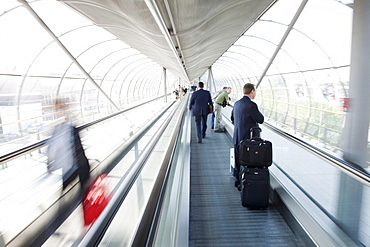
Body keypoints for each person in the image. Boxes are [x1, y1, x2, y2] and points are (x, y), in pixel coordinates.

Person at [47, 98, 90, 192]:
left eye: (61, 109)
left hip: (71, 170)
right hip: (72, 170)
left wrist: (50, 165)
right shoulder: (64, 130)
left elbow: (52, 150)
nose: (60, 112)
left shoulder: (62, 130)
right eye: (58, 109)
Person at [231, 83, 264, 190]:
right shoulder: (251, 105)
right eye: (255, 91)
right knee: (246, 161)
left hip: (237, 136)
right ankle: (243, 184)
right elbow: (260, 119)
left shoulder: (237, 103)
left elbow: (232, 118)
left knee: (237, 159)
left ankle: (237, 181)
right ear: (252, 91)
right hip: (247, 139)